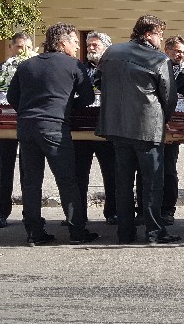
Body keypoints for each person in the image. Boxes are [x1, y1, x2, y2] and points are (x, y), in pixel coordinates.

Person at [8, 22, 99, 246]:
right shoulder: (74, 65)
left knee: (31, 181)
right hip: (55, 127)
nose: (78, 46)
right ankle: (77, 231)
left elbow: (12, 97)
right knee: (67, 179)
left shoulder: (27, 65)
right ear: (62, 42)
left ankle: (34, 232)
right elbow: (88, 98)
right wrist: (66, 107)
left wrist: (28, 111)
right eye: (74, 41)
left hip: (27, 127)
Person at [95, 15, 180, 245]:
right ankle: (154, 232)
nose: (161, 39)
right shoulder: (159, 59)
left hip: (117, 127)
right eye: (160, 34)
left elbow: (99, 81)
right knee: (152, 183)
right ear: (148, 34)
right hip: (147, 128)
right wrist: (165, 119)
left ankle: (125, 232)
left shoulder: (111, 53)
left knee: (122, 182)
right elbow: (169, 97)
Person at [73, 31, 118, 226]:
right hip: (82, 128)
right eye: (89, 45)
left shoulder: (114, 68)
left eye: (95, 45)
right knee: (79, 175)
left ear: (106, 47)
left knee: (112, 173)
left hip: (107, 128)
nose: (90, 48)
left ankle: (113, 212)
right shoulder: (79, 68)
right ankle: (78, 214)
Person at [0, 32, 34, 229]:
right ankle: (1, 213)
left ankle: (30, 213)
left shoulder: (35, 68)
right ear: (11, 47)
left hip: (28, 124)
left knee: (29, 170)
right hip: (5, 125)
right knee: (3, 170)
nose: (23, 51)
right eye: (19, 47)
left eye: (27, 48)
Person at [161, 35, 184, 226]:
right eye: (177, 51)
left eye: (183, 52)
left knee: (169, 169)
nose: (180, 55)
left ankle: (168, 209)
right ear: (167, 50)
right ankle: (146, 209)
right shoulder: (158, 68)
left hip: (173, 127)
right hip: (154, 125)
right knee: (148, 169)